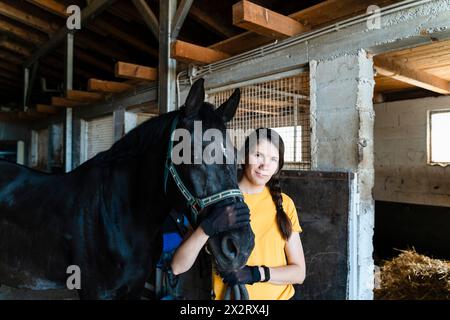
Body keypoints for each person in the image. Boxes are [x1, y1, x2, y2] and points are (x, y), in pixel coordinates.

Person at [170, 128, 306, 300]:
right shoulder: (217, 201)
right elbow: (177, 266)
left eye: (273, 159)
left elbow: (299, 273)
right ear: (243, 157)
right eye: (258, 155)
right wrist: (207, 228)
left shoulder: (285, 204)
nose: (265, 166)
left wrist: (256, 273)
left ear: (278, 165)